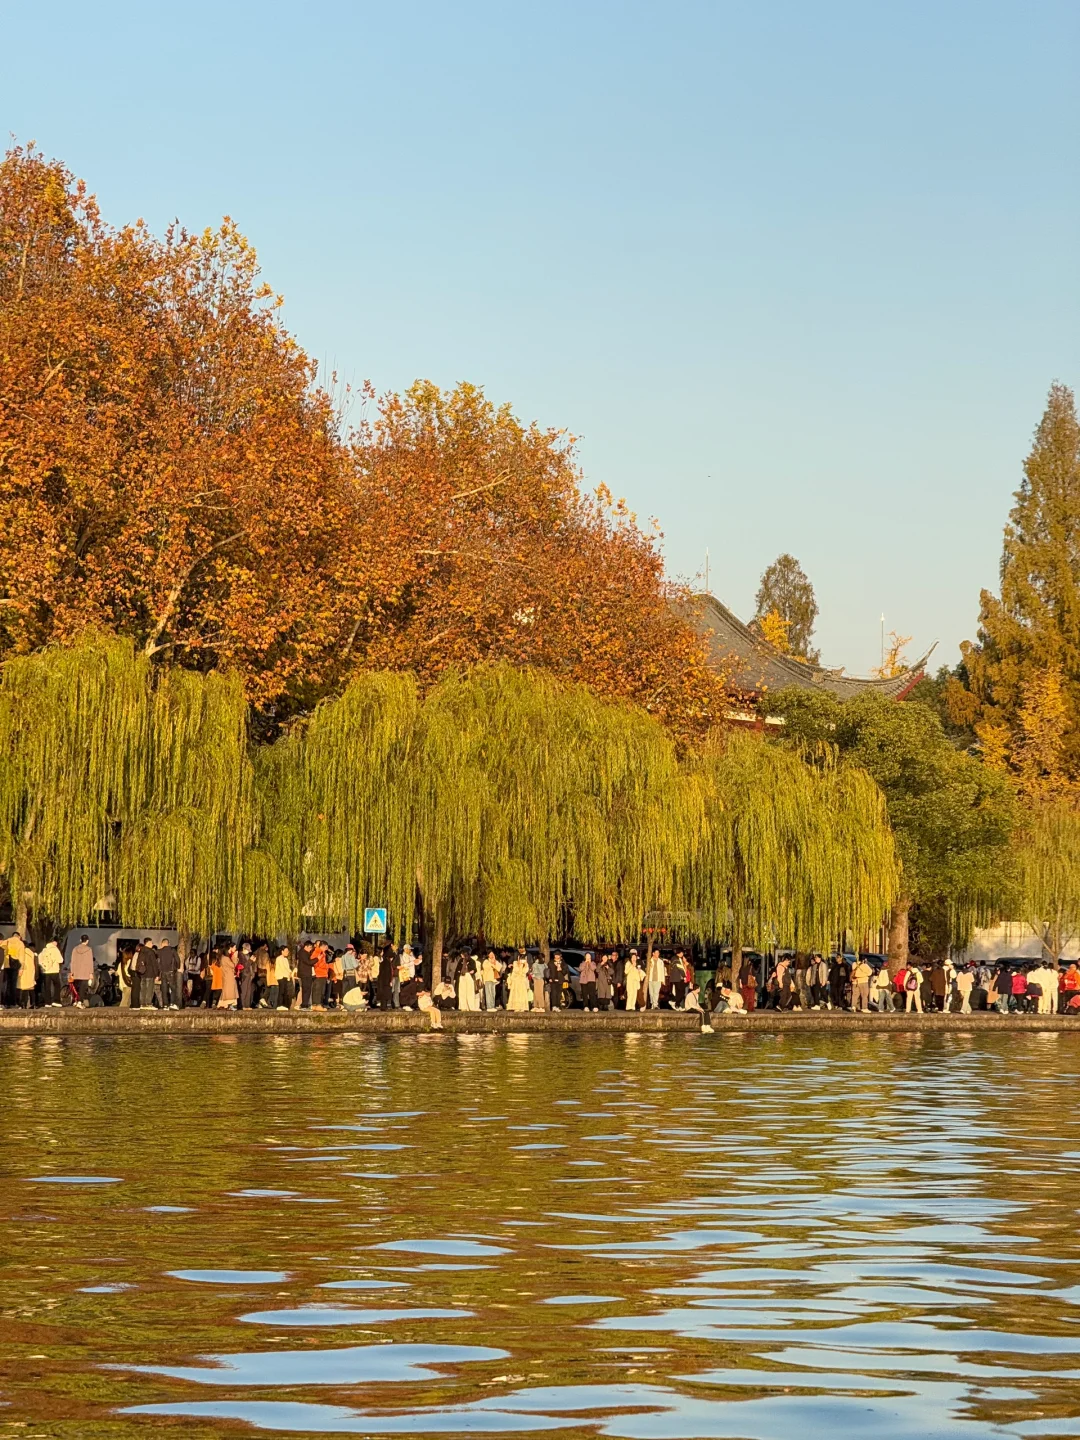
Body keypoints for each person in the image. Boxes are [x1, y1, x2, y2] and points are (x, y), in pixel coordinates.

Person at [69, 935, 96, 1008]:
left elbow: (72, 961)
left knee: (76, 987)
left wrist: (72, 971)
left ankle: (75, 1001)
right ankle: (80, 1002)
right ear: (87, 941)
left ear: (80, 940)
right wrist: (91, 973)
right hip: (85, 972)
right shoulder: (89, 950)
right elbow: (90, 962)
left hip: (76, 972)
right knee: (83, 988)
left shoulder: (75, 949)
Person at [36, 938, 63, 1007]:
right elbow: (60, 960)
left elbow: (39, 959)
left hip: (46, 971)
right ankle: (56, 1001)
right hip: (54, 970)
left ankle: (47, 1002)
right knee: (57, 985)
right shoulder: (55, 949)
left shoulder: (44, 950)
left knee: (47, 987)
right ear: (54, 942)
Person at [157, 940, 181, 1010]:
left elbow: (157, 961)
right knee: (173, 988)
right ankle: (172, 1003)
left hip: (163, 972)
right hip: (171, 971)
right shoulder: (172, 950)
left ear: (162, 944)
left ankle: (165, 1005)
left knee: (164, 989)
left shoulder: (159, 951)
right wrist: (177, 967)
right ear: (168, 943)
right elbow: (177, 960)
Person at [15, 939, 36, 1008]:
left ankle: (23, 1004)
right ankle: (33, 1003)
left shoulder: (21, 952)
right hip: (31, 972)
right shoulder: (31, 953)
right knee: (31, 988)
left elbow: (21, 962)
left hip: (23, 972)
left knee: (23, 989)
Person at [219, 946, 239, 1010]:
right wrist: (235, 958)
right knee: (230, 991)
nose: (230, 950)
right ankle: (230, 1005)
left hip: (227, 976)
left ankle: (224, 1004)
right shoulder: (226, 958)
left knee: (227, 991)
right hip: (229, 976)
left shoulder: (223, 958)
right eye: (229, 949)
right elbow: (233, 965)